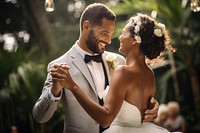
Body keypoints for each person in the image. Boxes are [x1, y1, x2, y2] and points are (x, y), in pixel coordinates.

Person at [33, 3, 159, 133]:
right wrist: (55, 91)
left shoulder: (120, 62)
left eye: (111, 34)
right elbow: (40, 117)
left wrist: (151, 106)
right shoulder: (60, 65)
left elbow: (134, 96)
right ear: (86, 26)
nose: (109, 41)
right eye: (104, 33)